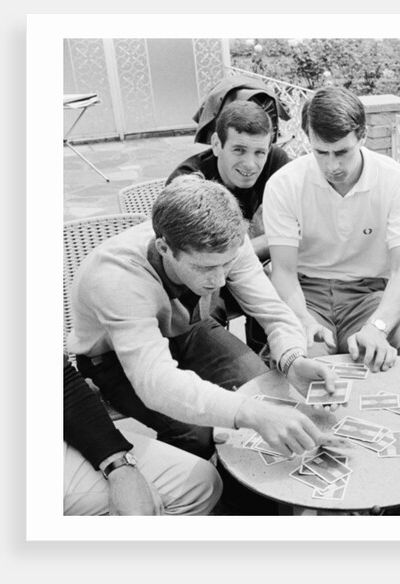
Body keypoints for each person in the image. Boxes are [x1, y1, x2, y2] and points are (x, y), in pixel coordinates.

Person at [68, 175, 342, 462]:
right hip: (112, 357)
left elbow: (273, 310)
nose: (220, 280)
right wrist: (248, 412)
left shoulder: (229, 243)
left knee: (264, 390)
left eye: (227, 264)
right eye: (205, 268)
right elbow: (155, 383)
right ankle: (194, 480)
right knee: (196, 432)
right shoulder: (117, 277)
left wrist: (292, 359)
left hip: (189, 329)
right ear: (164, 249)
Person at [263, 86, 400, 372]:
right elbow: (284, 272)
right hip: (306, 293)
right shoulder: (284, 184)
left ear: (362, 136)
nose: (332, 165)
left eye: (342, 152)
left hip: (370, 294)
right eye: (321, 152)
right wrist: (303, 320)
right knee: (299, 362)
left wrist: (377, 327)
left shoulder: (399, 183)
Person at [168, 101, 292, 354]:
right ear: (216, 144)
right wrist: (269, 241)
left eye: (259, 152)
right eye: (239, 150)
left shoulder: (275, 161)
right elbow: (204, 257)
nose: (250, 164)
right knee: (207, 315)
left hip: (246, 267)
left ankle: (267, 358)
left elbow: (298, 226)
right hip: (201, 273)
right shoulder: (188, 182)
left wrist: (267, 245)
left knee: (283, 290)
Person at [64, 355, 222, 516]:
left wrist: (118, 465)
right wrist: (119, 469)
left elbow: (64, 378)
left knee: (202, 478)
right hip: (118, 359)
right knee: (194, 434)